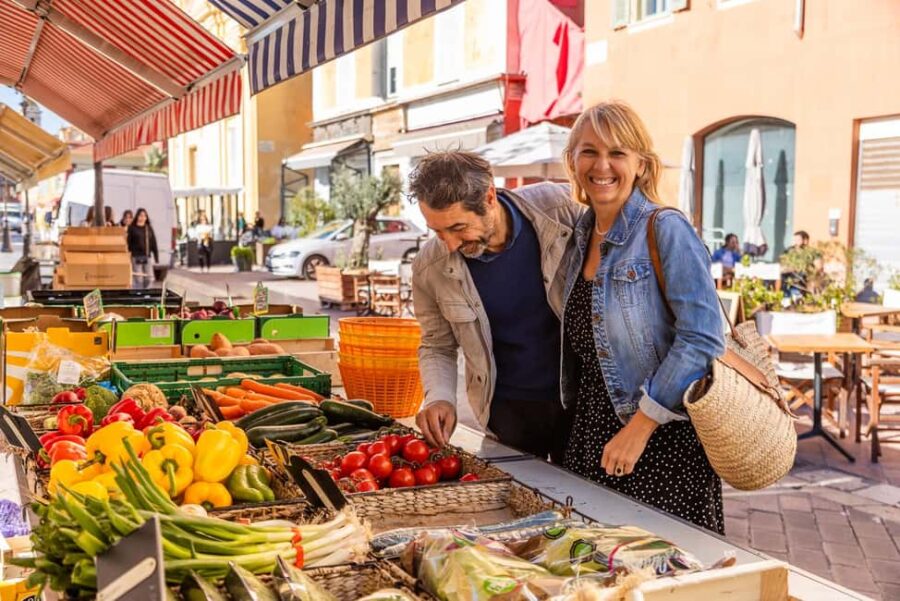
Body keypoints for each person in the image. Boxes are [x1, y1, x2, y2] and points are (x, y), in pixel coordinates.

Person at [560, 101, 725, 533]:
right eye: (589, 151)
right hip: (590, 438)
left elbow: (703, 339)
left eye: (617, 153)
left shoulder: (666, 228)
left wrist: (640, 426)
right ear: (573, 161)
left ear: (641, 164)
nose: (603, 165)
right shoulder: (579, 235)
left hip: (661, 443)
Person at [410, 151, 583, 463]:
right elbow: (437, 345)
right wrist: (439, 398)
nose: (449, 244)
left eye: (458, 227)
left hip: (580, 405)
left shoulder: (561, 208)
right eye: (437, 231)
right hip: (505, 415)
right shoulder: (428, 266)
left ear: (489, 197)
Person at [127, 208, 159, 289]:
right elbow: (128, 243)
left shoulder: (148, 228)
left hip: (146, 256)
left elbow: (153, 242)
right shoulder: (132, 228)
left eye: (144, 216)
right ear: (137, 216)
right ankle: (139, 295)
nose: (142, 217)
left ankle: (147, 294)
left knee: (149, 278)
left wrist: (156, 256)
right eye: (141, 215)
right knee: (138, 279)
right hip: (136, 257)